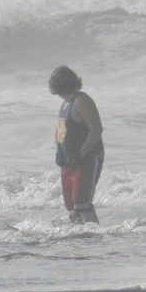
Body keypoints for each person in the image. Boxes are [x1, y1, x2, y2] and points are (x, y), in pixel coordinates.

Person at [49, 65, 104, 224]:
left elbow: (96, 129)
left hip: (86, 158)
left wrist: (82, 153)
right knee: (72, 207)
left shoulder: (82, 100)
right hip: (68, 161)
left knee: (82, 203)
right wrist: (60, 153)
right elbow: (60, 132)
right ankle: (80, 243)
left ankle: (95, 236)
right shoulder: (64, 104)